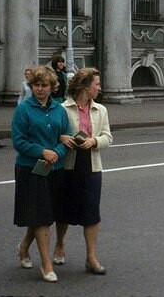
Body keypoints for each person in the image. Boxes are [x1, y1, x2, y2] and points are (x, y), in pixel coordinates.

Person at [12, 65, 69, 283]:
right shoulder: (23, 110)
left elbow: (66, 136)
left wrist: (56, 151)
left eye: (44, 85)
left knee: (43, 214)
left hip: (54, 168)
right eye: (36, 85)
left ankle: (24, 246)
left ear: (52, 87)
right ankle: (46, 265)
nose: (40, 89)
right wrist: (42, 151)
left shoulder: (59, 110)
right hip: (30, 169)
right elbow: (19, 141)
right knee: (41, 216)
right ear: (31, 86)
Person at [55, 67, 113, 276]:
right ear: (85, 86)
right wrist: (62, 138)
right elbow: (55, 133)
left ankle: (91, 257)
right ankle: (60, 244)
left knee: (91, 212)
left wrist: (94, 141)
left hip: (91, 164)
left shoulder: (100, 110)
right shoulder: (63, 109)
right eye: (96, 84)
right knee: (65, 210)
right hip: (69, 164)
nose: (99, 88)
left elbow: (108, 137)